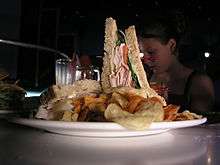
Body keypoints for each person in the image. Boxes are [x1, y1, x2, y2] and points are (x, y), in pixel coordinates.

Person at [137, 14, 215, 112]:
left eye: (151, 52)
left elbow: (200, 120)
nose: (145, 59)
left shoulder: (199, 82)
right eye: (142, 53)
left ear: (171, 45)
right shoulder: (144, 79)